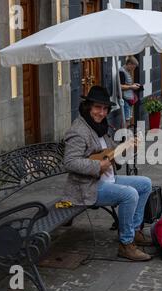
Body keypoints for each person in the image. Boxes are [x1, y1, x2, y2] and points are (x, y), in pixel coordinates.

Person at [63, 86, 153, 261]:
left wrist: (129, 147)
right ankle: (125, 244)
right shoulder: (78, 131)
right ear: (88, 107)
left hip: (108, 179)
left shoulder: (100, 128)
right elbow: (70, 162)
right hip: (87, 187)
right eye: (97, 107)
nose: (102, 113)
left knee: (145, 183)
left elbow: (113, 156)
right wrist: (97, 166)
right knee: (130, 194)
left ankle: (134, 231)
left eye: (105, 109)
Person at [119, 56, 141, 128]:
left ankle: (125, 136)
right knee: (126, 119)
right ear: (129, 64)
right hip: (125, 98)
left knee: (127, 119)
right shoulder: (122, 72)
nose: (133, 69)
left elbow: (126, 84)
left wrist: (134, 85)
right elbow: (120, 86)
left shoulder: (127, 71)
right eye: (133, 67)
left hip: (128, 98)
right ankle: (124, 137)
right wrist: (132, 87)